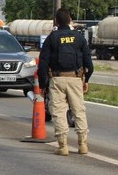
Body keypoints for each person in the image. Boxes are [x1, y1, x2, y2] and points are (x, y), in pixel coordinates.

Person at [38, 8, 94, 156]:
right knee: (78, 111)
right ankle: (83, 145)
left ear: (56, 21)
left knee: (59, 112)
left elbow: (43, 63)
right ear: (70, 20)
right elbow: (89, 62)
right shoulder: (79, 37)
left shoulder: (52, 38)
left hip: (57, 79)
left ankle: (63, 146)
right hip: (75, 79)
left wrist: (42, 85)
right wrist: (86, 80)